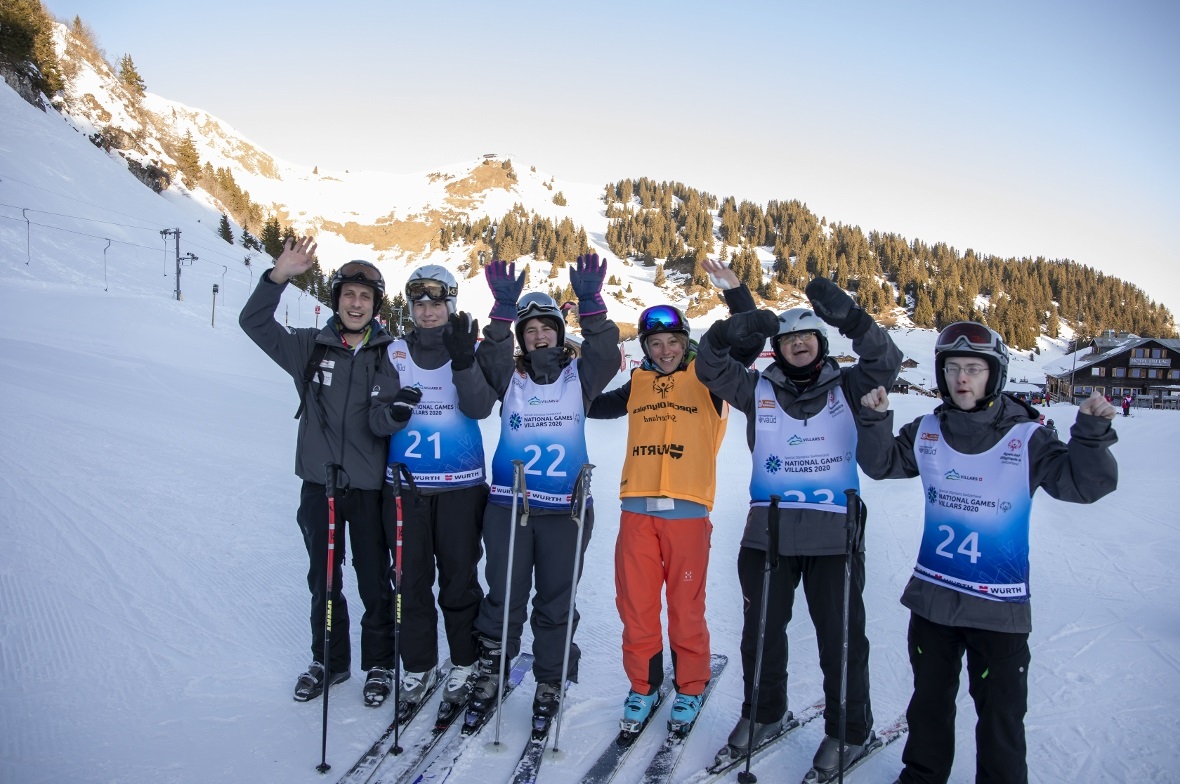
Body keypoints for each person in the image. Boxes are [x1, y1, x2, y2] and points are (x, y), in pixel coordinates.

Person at [854, 321, 1118, 784]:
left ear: (994, 374)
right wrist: (875, 421)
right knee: (929, 702)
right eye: (952, 368)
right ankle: (922, 776)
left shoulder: (1026, 436)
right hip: (934, 599)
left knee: (1000, 716)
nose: (961, 378)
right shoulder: (929, 429)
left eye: (974, 368)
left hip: (998, 608)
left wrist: (1091, 435)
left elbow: (1084, 485)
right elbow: (883, 464)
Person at [695, 277, 902, 777]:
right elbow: (709, 366)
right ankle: (764, 713)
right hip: (767, 534)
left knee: (841, 639)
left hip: (835, 534)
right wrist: (729, 329)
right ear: (779, 350)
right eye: (788, 340)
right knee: (761, 634)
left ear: (821, 343)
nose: (798, 343)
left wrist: (853, 318)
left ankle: (851, 729)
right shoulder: (757, 388)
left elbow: (886, 360)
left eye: (806, 336)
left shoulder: (850, 388)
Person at [587, 259, 760, 732]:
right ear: (646, 347)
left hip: (687, 513)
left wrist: (736, 294)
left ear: (687, 342)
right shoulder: (638, 383)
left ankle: (691, 686)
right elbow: (593, 404)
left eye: (673, 342)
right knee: (636, 606)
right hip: (636, 512)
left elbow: (749, 342)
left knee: (686, 608)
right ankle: (642, 685)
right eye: (655, 343)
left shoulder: (711, 377)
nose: (664, 351)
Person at [239, 237, 394, 704]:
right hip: (319, 487)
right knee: (324, 580)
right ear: (336, 300)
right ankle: (329, 661)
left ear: (375, 306)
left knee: (373, 579)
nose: (356, 302)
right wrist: (277, 276)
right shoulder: (308, 346)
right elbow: (254, 322)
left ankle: (381, 665)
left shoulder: (392, 356)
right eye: (349, 294)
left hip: (369, 491)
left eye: (365, 296)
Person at [469, 254, 620, 723]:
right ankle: (492, 667)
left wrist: (593, 303)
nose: (538, 336)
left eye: (546, 328)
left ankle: (551, 680)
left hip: (566, 510)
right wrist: (500, 312)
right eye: (529, 329)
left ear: (559, 331)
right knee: (505, 594)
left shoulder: (581, 377)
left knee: (556, 600)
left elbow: (607, 354)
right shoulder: (508, 378)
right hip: (509, 506)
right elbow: (488, 357)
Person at [366, 264, 507, 711]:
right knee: (410, 582)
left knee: (459, 581)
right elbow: (375, 418)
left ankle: (463, 660)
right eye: (419, 303)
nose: (427, 311)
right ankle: (420, 664)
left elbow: (481, 407)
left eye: (436, 302)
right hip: (405, 489)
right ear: (410, 306)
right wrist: (395, 414)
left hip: (460, 487)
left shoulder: (468, 346)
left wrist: (465, 361)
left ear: (451, 304)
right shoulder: (394, 353)